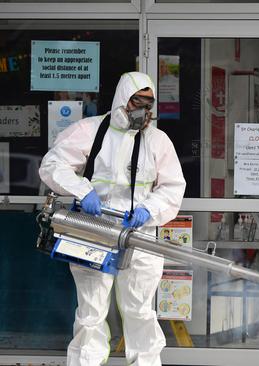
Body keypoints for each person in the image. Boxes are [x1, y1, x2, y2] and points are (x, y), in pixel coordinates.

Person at [39, 71, 186, 366]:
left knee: (141, 310)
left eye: (149, 103)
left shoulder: (157, 141)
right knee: (90, 311)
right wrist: (84, 191)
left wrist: (149, 210)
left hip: (140, 233)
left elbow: (172, 186)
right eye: (138, 101)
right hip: (95, 229)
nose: (143, 109)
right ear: (123, 99)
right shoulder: (91, 131)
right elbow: (52, 165)